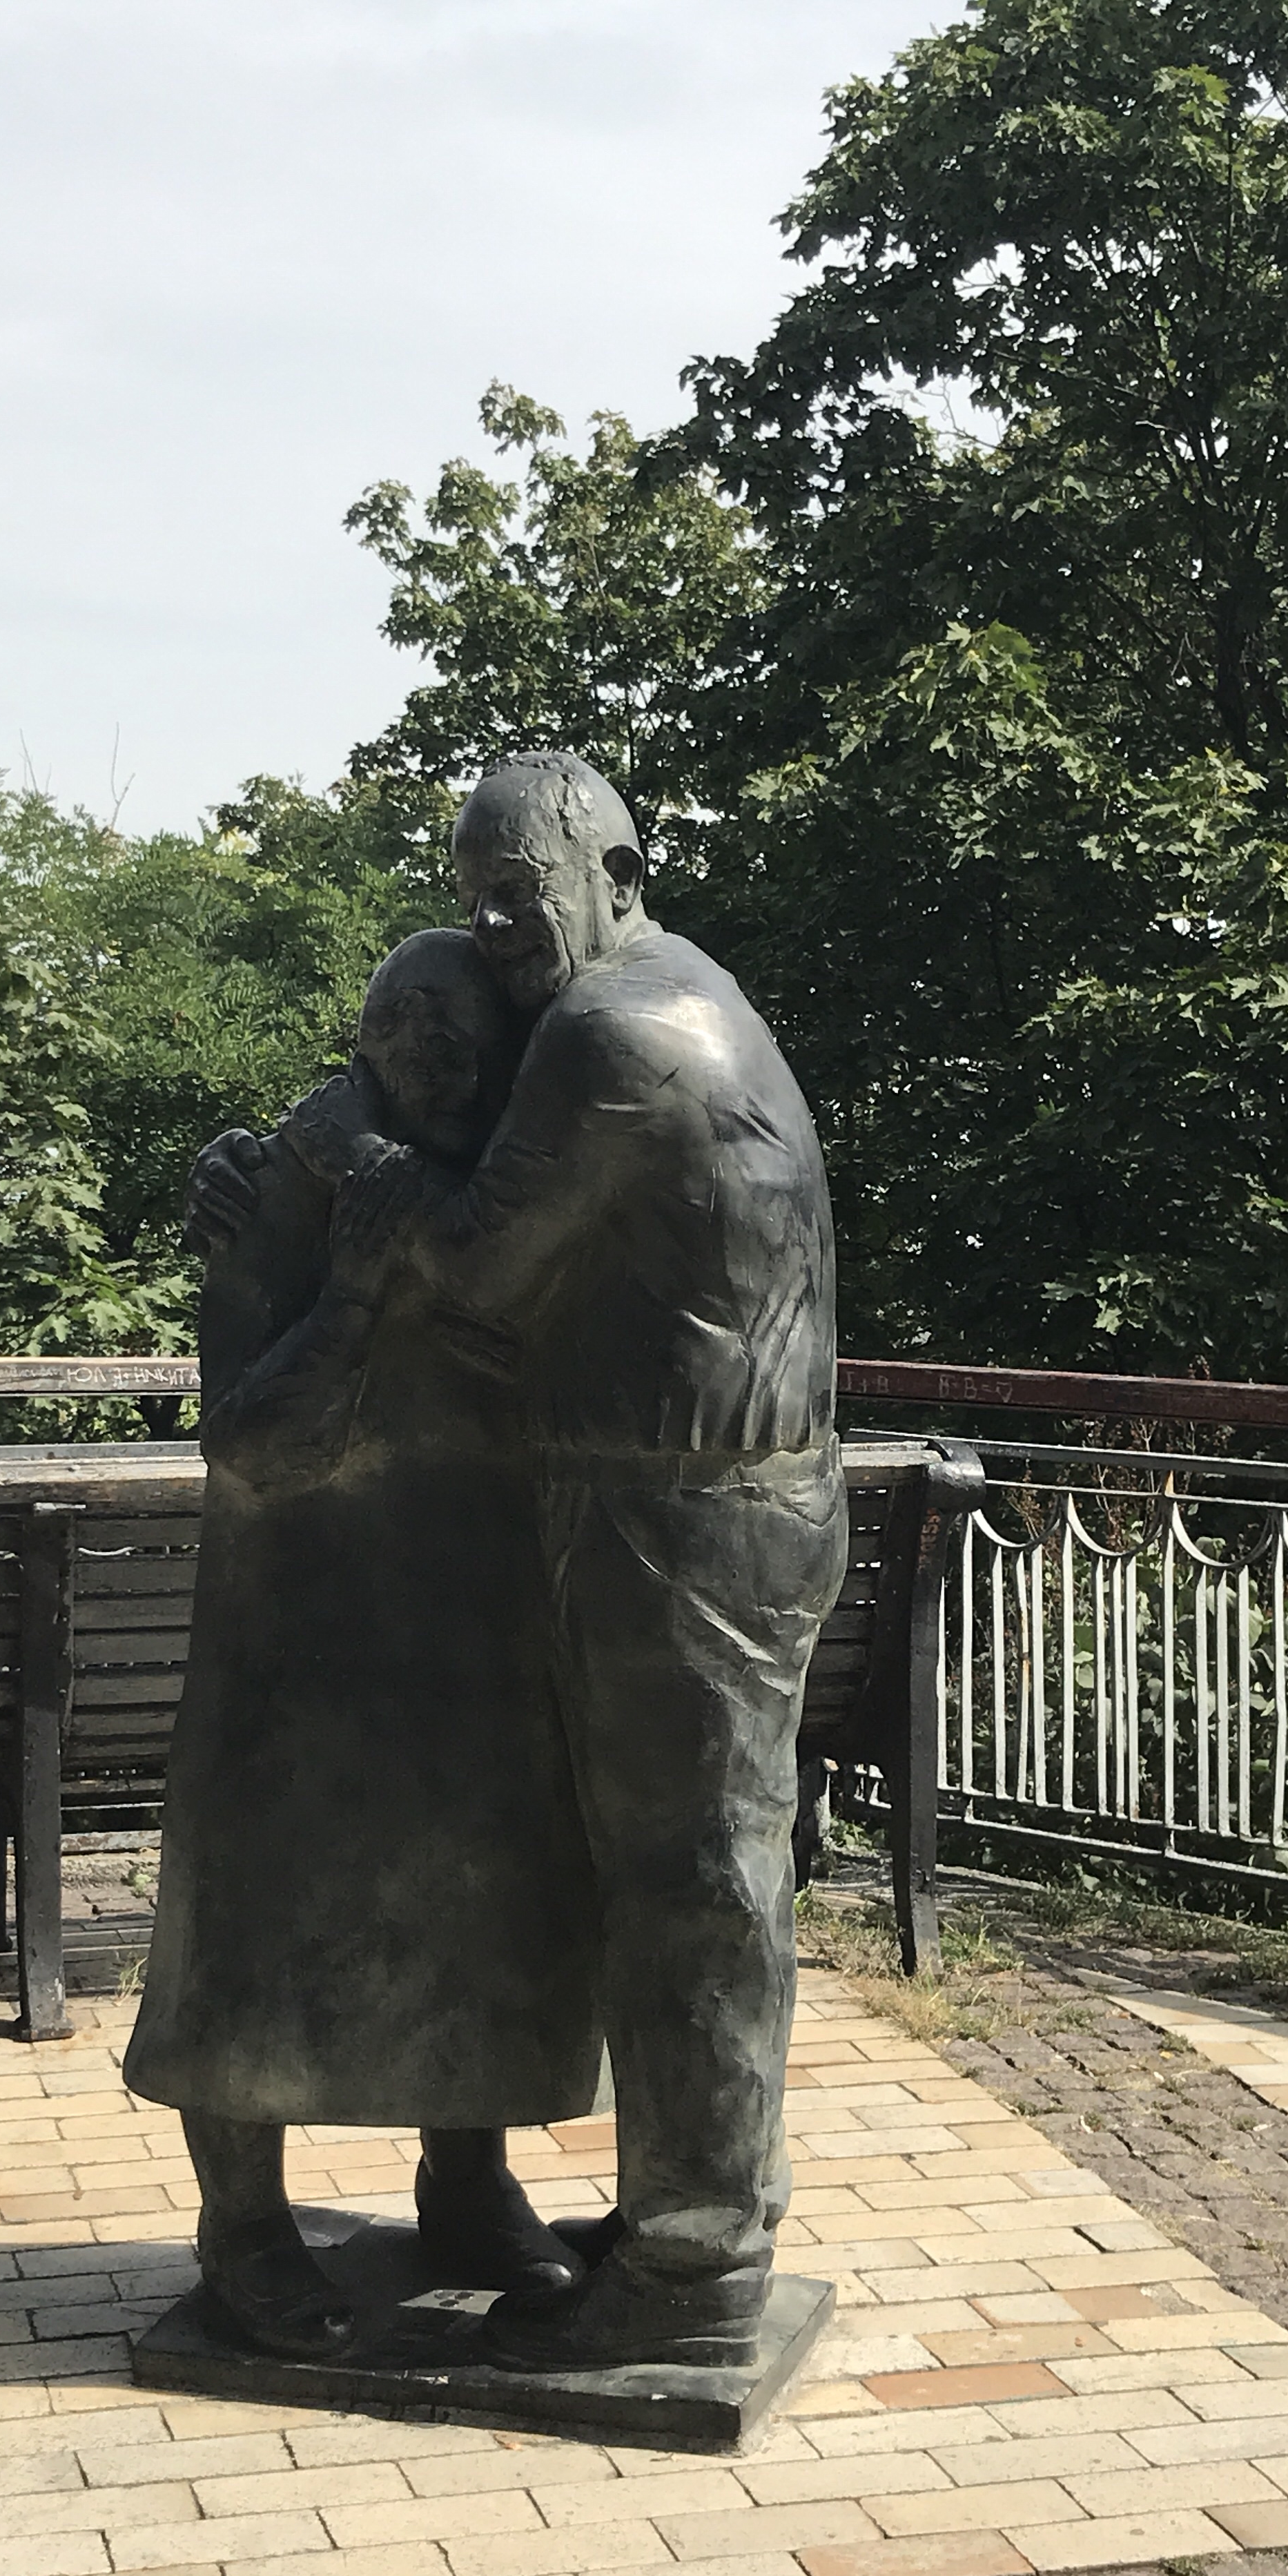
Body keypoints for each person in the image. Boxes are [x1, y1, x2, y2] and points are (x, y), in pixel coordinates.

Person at [203, 754, 846, 2372]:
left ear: (619, 875)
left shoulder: (608, 1026)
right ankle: (693, 2217)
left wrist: (341, 1146)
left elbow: (484, 1264)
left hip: (680, 1508)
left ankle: (695, 2268)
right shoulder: (678, 991)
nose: (496, 932)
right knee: (698, 1873)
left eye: (520, 897)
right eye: (474, 902)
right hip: (703, 1497)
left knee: (692, 1886)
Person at [126, 927, 603, 2360]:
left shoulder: (523, 1182)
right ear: (368, 1042)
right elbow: (249, 1444)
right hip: (298, 1622)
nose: (445, 1054)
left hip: (478, 1609)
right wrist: (349, 1288)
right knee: (256, 1920)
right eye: (413, 1025)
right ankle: (245, 2229)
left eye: (470, 1030)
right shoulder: (279, 1186)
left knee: (486, 1902)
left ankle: (468, 2184)